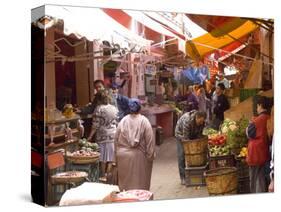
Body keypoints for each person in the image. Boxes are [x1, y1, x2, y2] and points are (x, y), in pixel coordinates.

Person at [115, 98, 155, 191]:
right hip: (139, 158)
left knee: (125, 186)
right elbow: (150, 142)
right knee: (140, 186)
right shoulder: (144, 121)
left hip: (123, 157)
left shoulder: (123, 121)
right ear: (140, 108)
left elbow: (116, 139)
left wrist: (115, 158)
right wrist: (150, 157)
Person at [87, 90, 118, 180]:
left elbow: (95, 125)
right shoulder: (114, 108)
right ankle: (108, 176)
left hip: (102, 136)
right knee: (110, 157)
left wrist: (90, 136)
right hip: (113, 135)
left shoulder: (98, 109)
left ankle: (103, 176)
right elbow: (116, 122)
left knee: (102, 158)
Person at [246, 96, 270, 193]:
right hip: (264, 152)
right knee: (261, 179)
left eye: (257, 106)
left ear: (260, 105)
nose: (256, 108)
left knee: (254, 180)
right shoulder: (269, 118)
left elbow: (249, 134)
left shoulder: (257, 120)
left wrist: (248, 127)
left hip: (255, 154)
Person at [175, 110, 207, 185]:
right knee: (182, 155)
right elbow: (186, 139)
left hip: (192, 133)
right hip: (180, 135)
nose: (201, 123)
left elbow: (199, 134)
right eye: (200, 121)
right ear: (197, 118)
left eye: (203, 121)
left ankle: (196, 172)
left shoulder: (202, 122)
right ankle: (183, 177)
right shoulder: (187, 120)